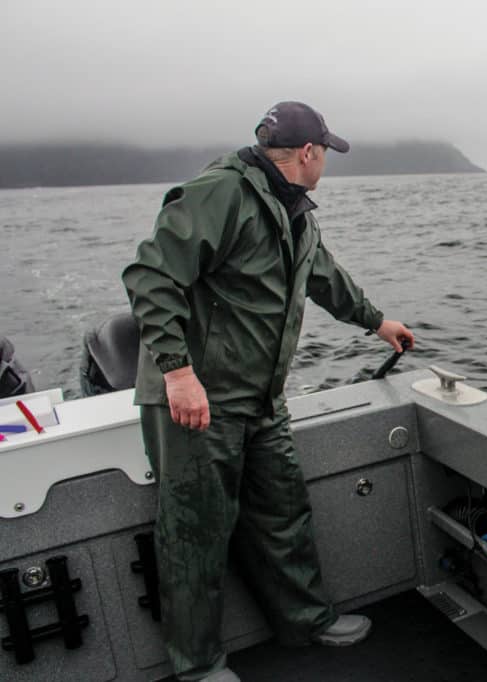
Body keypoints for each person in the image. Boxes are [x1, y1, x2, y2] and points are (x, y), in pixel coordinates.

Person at [122, 101, 414, 682]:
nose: (326, 160)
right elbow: (151, 276)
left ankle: (304, 619)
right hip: (200, 398)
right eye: (326, 151)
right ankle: (199, 664)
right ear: (309, 153)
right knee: (195, 532)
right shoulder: (220, 193)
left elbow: (323, 275)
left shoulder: (296, 211)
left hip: (260, 398)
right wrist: (178, 374)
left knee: (282, 512)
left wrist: (378, 322)